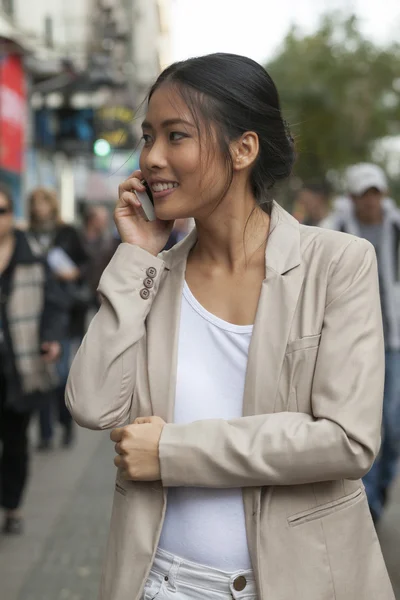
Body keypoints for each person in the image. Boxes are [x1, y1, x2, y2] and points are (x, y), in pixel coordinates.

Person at [66, 54, 394, 600]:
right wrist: (137, 258)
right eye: (148, 138)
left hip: (296, 582)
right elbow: (91, 404)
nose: (151, 158)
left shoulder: (337, 264)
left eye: (176, 136)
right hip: (159, 582)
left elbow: (347, 440)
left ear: (243, 149)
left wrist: (171, 451)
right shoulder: (156, 277)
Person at [326, 162, 400, 525]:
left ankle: (383, 485)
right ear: (353, 198)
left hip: (395, 343)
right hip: (353, 343)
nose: (371, 202)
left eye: (376, 194)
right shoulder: (335, 230)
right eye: (363, 195)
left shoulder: (397, 227)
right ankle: (369, 500)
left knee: (394, 421)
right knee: (368, 422)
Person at [0, 184, 66, 534]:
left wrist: (51, 338)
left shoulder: (32, 258)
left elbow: (54, 304)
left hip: (20, 368)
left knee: (14, 442)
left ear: (13, 216)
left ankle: (12, 506)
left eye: (2, 211)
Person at [27, 187, 89, 449]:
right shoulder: (26, 235)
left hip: (64, 311)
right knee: (41, 373)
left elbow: (85, 265)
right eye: (35, 203)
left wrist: (73, 274)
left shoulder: (67, 233)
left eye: (44, 202)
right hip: (33, 311)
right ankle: (45, 433)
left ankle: (65, 423)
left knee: (61, 373)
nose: (40, 208)